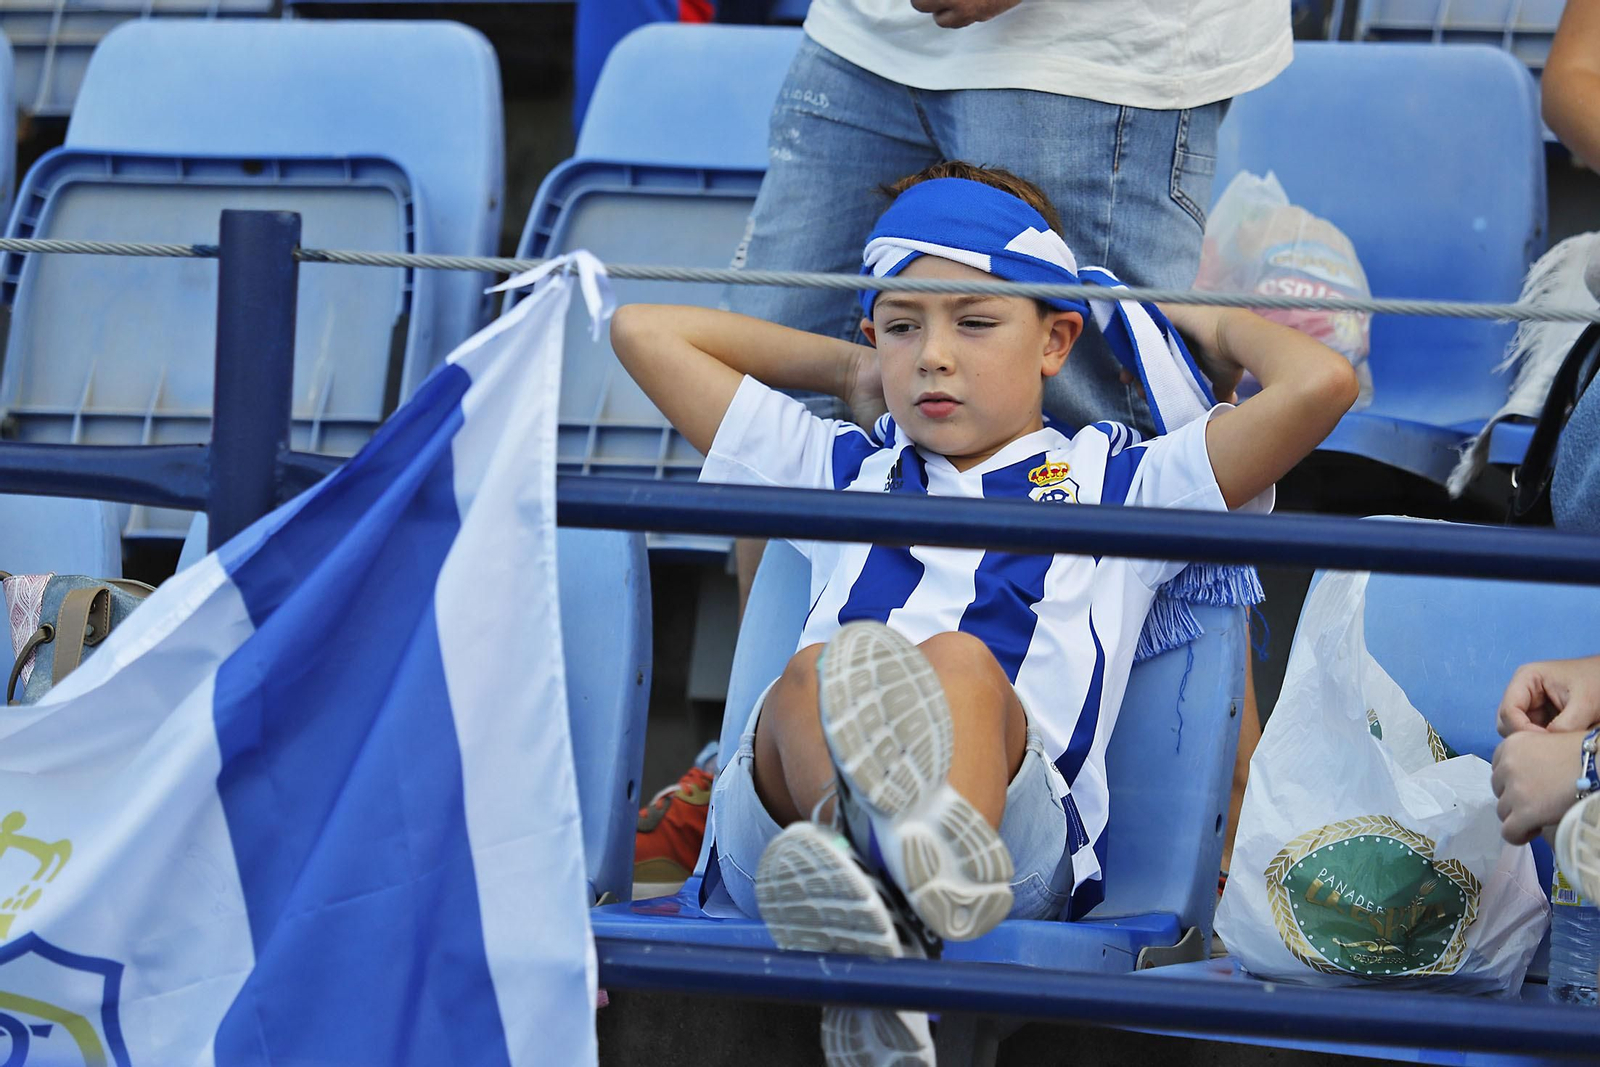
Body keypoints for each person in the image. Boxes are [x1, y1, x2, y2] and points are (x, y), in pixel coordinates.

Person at [612, 164, 1357, 1066]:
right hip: (794, 824)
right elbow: (641, 331)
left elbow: (1321, 385)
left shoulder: (1123, 483)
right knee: (813, 677)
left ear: (1056, 340)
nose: (934, 356)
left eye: (973, 321)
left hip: (1011, 839)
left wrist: (1203, 321)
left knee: (961, 662)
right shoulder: (840, 466)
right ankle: (879, 902)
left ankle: (906, 904)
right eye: (901, 326)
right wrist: (851, 369)